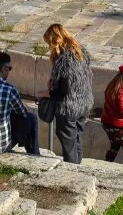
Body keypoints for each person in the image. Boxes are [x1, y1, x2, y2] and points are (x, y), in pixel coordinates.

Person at [41, 24, 93, 164]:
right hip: (84, 104)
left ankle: (72, 174)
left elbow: (65, 89)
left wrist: (48, 93)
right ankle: (78, 167)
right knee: (76, 139)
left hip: (69, 107)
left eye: (49, 43)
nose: (49, 47)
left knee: (68, 143)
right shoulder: (80, 52)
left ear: (54, 40)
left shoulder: (63, 59)